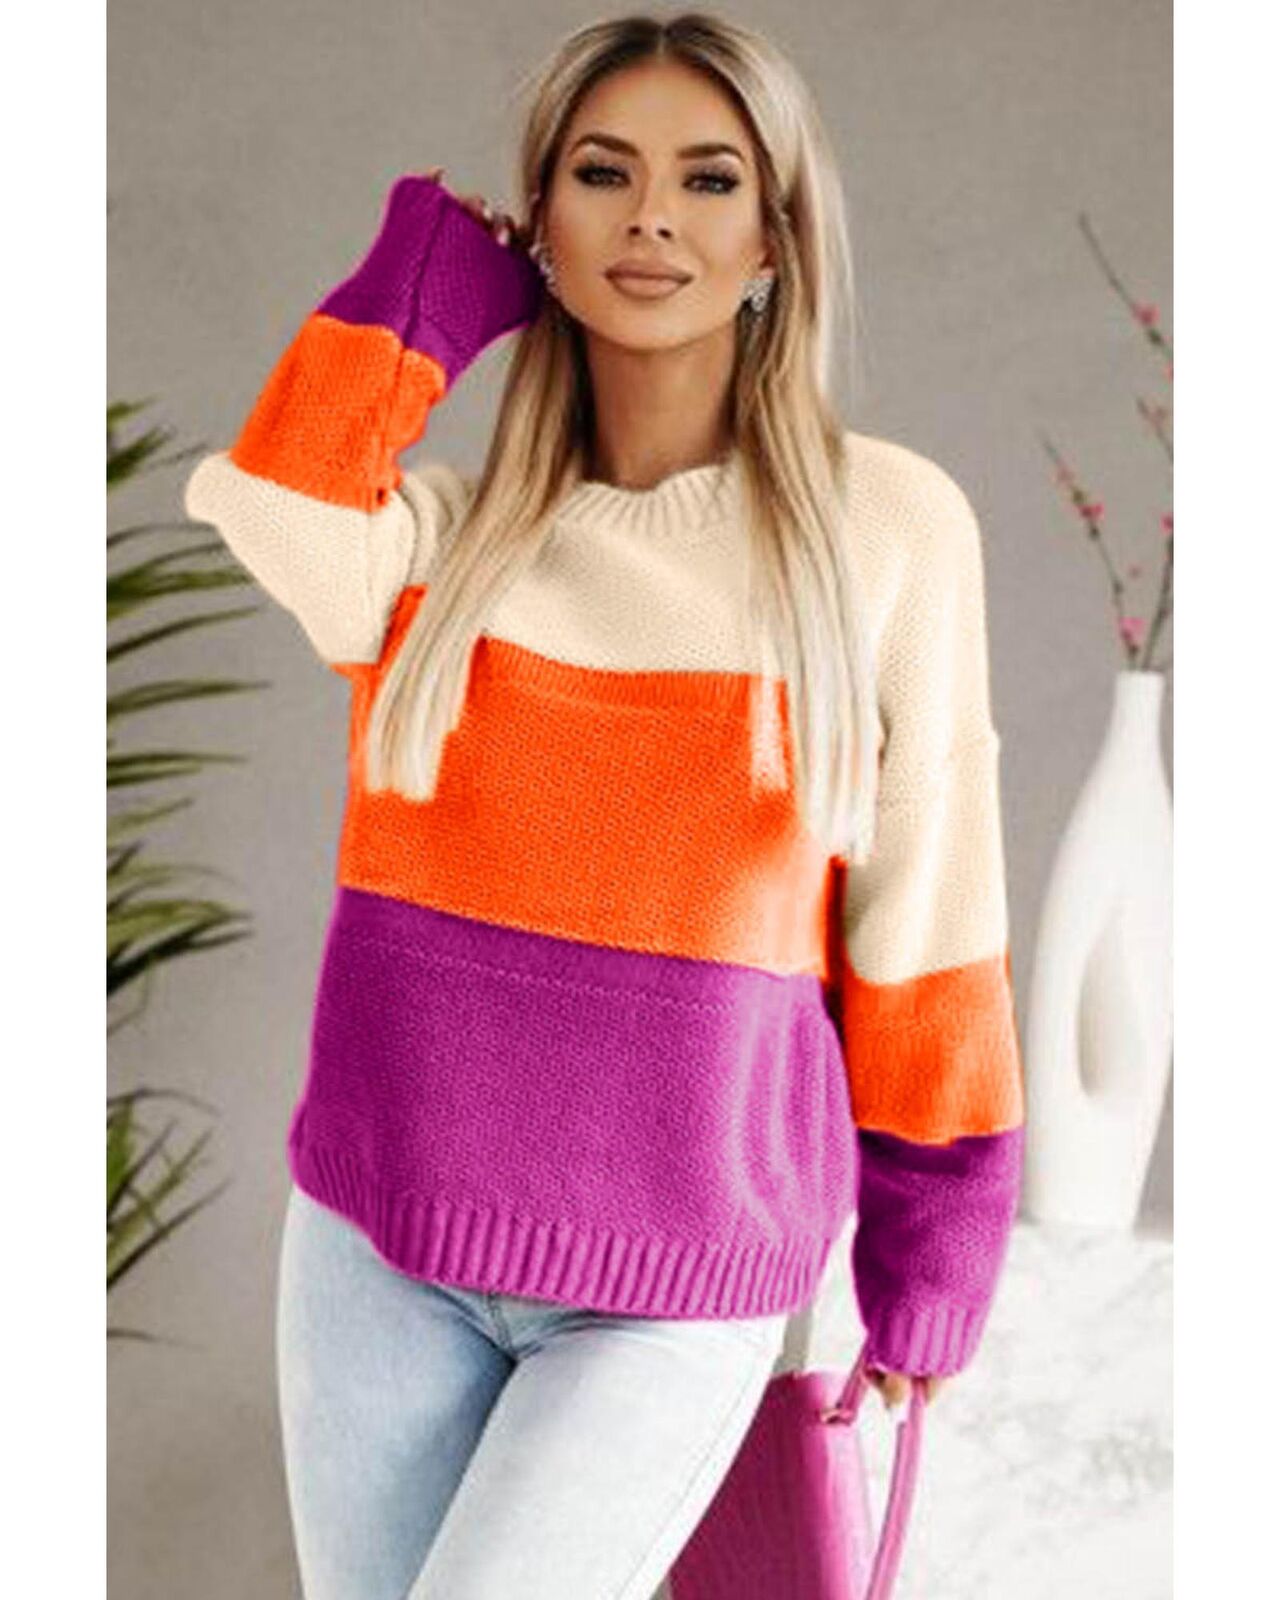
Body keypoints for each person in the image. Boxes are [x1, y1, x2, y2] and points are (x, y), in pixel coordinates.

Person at [183, 10, 1025, 1599]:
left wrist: (934, 1254)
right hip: (377, 1249)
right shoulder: (440, 550)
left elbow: (931, 920)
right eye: (601, 173)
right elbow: (280, 500)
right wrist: (430, 279)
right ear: (542, 226)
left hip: (672, 1282)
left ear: (776, 238)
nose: (651, 217)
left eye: (709, 179)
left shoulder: (887, 532)